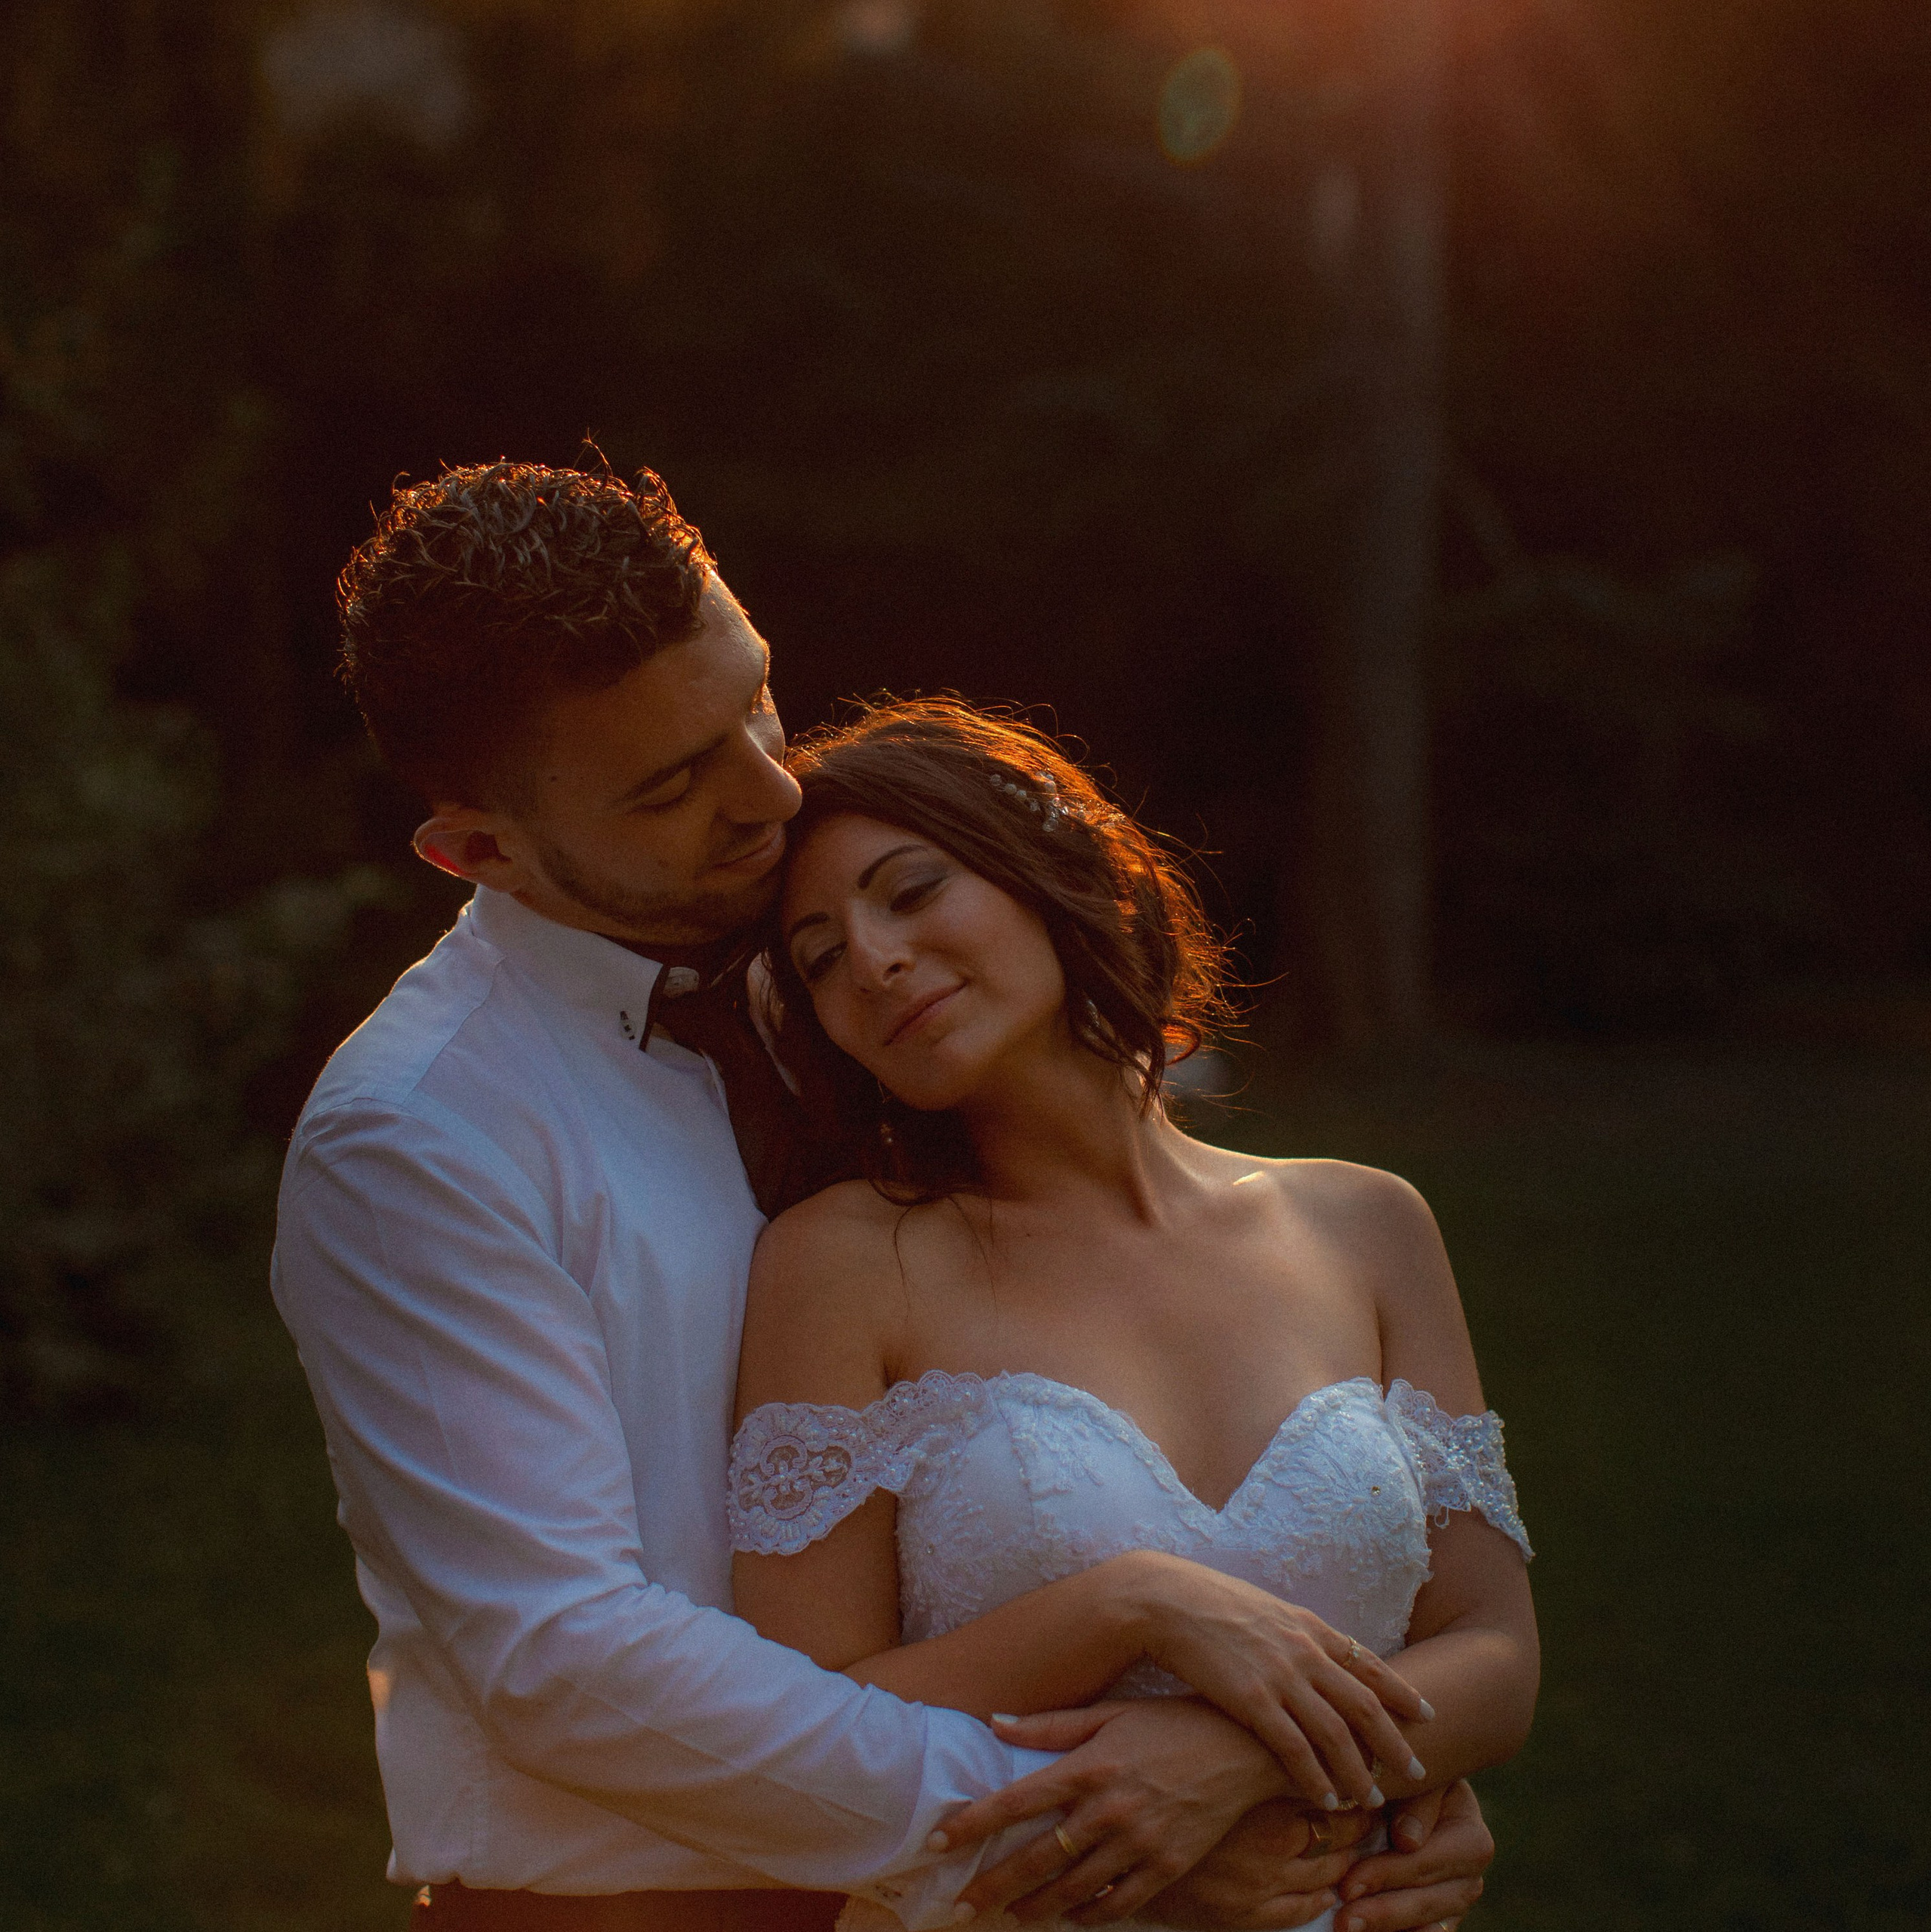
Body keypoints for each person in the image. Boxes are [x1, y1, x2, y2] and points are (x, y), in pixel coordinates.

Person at [272, 459, 1502, 1930]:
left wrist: (1343, 1762)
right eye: (675, 782)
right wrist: (1126, 1809)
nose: (770, 789)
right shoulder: (421, 1135)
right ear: (479, 849)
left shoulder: (843, 1000)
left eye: (755, 702)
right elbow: (563, 1659)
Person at [728, 701, 1541, 1929]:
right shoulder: (843, 1263)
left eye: (909, 891)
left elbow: (1494, 1650)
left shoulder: (1366, 1226)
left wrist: (1235, 1764)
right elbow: (806, 1717)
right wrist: (1127, 1605)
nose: (873, 960)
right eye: (820, 957)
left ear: (1050, 869)